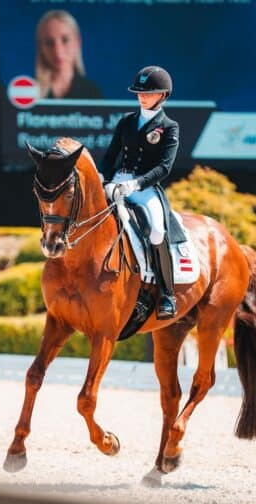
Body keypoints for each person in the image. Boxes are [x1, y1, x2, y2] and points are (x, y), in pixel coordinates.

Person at [99, 66, 179, 319]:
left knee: (156, 230)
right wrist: (103, 178)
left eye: (149, 92)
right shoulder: (126, 122)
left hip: (144, 187)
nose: (142, 97)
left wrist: (136, 184)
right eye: (139, 93)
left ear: (163, 95)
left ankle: (167, 295)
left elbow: (164, 167)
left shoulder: (169, 127)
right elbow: (111, 155)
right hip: (118, 181)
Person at [35, 10, 102, 99]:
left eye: (65, 40)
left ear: (77, 42)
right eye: (49, 43)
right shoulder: (29, 92)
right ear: (40, 47)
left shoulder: (91, 92)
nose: (57, 50)